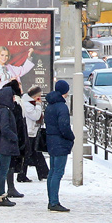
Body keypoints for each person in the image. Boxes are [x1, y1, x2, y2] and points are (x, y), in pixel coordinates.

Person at [43, 80, 74, 213]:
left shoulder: (50, 105)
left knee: (52, 171)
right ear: (65, 91)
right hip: (60, 141)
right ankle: (54, 202)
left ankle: (51, 200)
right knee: (58, 172)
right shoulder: (61, 106)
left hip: (51, 140)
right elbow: (64, 126)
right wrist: (71, 137)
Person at [0, 83, 24, 207]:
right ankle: (1, 197)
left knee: (3, 170)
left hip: (1, 144)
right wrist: (14, 137)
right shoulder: (5, 111)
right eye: (11, 97)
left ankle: (1, 196)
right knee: (3, 171)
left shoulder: (0, 109)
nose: (13, 99)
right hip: (5, 144)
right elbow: (5, 128)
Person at [19, 86, 49, 183]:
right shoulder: (28, 104)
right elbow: (36, 116)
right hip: (29, 132)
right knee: (30, 153)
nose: (40, 98)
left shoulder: (30, 103)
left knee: (35, 153)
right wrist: (39, 105)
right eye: (39, 96)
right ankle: (22, 174)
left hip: (32, 131)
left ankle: (43, 173)